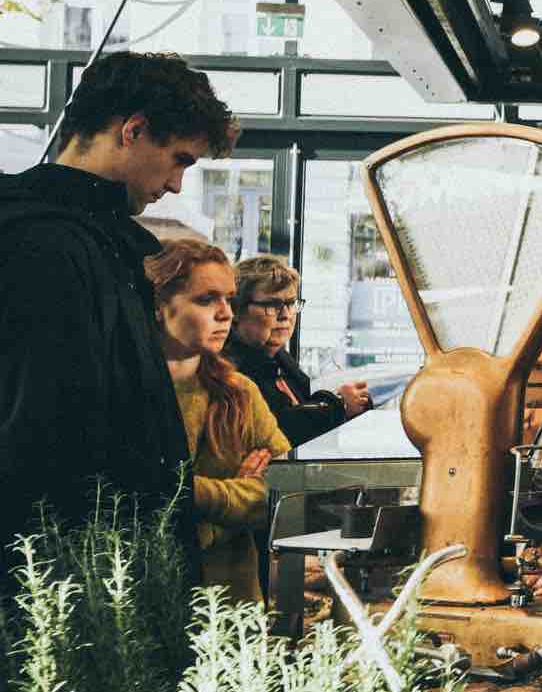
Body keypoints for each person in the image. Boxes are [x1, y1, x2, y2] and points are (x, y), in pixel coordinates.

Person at [0, 52, 237, 575]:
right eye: (179, 159)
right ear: (133, 130)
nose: (176, 185)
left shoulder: (83, 238)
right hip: (75, 579)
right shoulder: (48, 246)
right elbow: (45, 433)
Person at [149, 238, 290, 604]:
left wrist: (192, 494)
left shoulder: (239, 392)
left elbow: (284, 493)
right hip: (149, 600)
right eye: (206, 299)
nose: (225, 313)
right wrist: (234, 496)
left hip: (231, 601)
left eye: (228, 298)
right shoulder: (127, 393)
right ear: (160, 306)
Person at [226, 254, 371, 449]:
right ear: (237, 310)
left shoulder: (279, 358)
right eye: (272, 305)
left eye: (291, 304)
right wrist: (338, 405)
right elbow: (271, 431)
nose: (285, 315)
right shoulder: (228, 367)